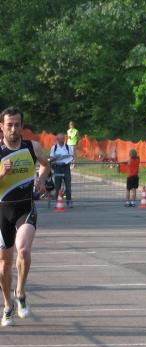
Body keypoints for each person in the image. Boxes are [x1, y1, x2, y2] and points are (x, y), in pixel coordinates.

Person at [0, 107, 50, 326]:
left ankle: (20, 291)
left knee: (23, 250)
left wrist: (41, 180)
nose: (13, 129)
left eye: (17, 125)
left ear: (22, 126)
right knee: (4, 266)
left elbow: (46, 165)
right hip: (2, 212)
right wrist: (2, 173)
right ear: (1, 126)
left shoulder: (32, 147)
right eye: (9, 125)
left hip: (25, 209)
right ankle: (8, 305)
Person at [49, 132, 74, 207]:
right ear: (57, 139)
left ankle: (69, 201)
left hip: (66, 167)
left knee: (68, 185)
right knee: (57, 185)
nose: (62, 140)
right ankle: (57, 201)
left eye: (63, 138)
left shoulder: (68, 147)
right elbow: (51, 158)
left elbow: (72, 156)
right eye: (61, 138)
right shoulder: (54, 147)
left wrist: (69, 159)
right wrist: (55, 158)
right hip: (57, 167)